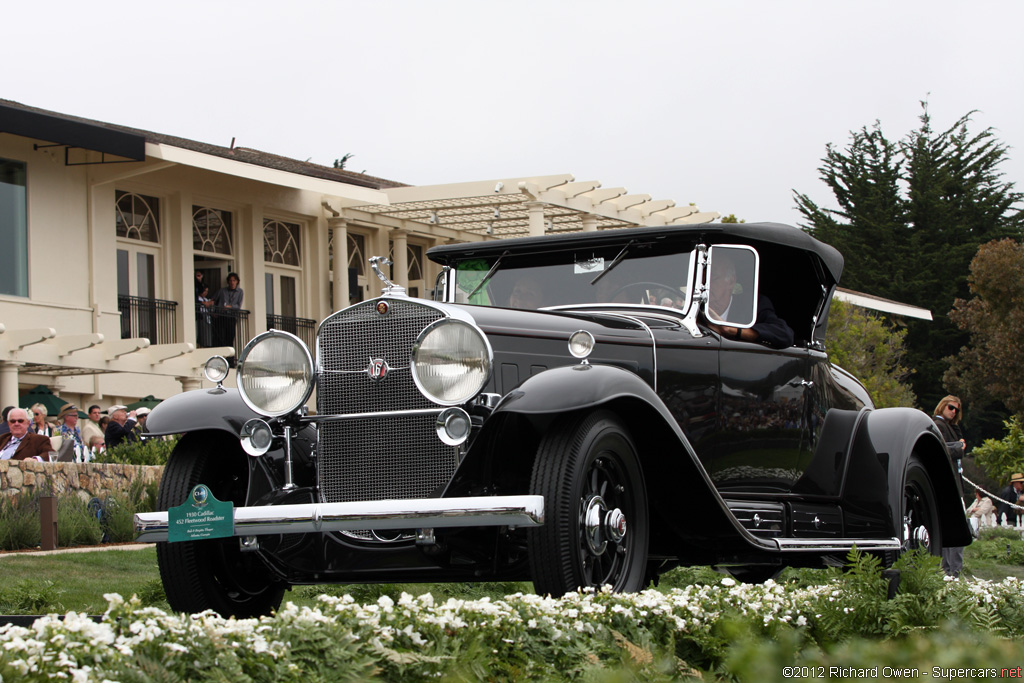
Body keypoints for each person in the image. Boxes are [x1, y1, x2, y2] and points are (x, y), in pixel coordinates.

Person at [703, 253, 794, 349]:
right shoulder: (692, 309)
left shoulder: (752, 306)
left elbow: (784, 334)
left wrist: (733, 330)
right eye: (702, 278)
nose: (704, 283)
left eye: (712, 276)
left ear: (730, 282)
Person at [932, 395, 966, 577]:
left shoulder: (951, 427)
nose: (953, 412)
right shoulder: (938, 425)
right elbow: (940, 449)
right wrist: (958, 448)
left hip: (954, 481)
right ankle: (952, 571)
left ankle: (950, 570)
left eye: (957, 410)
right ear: (942, 406)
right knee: (955, 527)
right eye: (951, 407)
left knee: (951, 527)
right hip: (947, 482)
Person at [213, 272, 244, 348]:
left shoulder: (240, 292)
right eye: (230, 281)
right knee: (220, 337)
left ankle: (230, 358)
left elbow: (238, 306)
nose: (232, 282)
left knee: (230, 337)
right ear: (228, 282)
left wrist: (230, 306)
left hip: (231, 317)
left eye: (234, 280)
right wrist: (213, 311)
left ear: (237, 281)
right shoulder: (222, 291)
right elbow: (213, 300)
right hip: (221, 316)